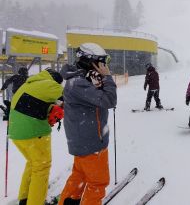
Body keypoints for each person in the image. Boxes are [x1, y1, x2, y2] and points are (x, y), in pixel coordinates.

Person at [59, 42, 117, 205]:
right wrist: (107, 77)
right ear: (89, 61)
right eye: (102, 62)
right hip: (91, 144)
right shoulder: (78, 82)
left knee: (80, 177)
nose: (104, 66)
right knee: (97, 183)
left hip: (84, 141)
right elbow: (109, 100)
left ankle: (68, 202)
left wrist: (101, 79)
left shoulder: (81, 77)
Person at [8, 68, 64, 205]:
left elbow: (36, 102)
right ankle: (35, 202)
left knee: (33, 164)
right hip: (33, 133)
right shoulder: (49, 84)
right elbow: (70, 96)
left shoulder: (31, 83)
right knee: (42, 168)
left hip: (16, 132)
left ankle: (25, 199)